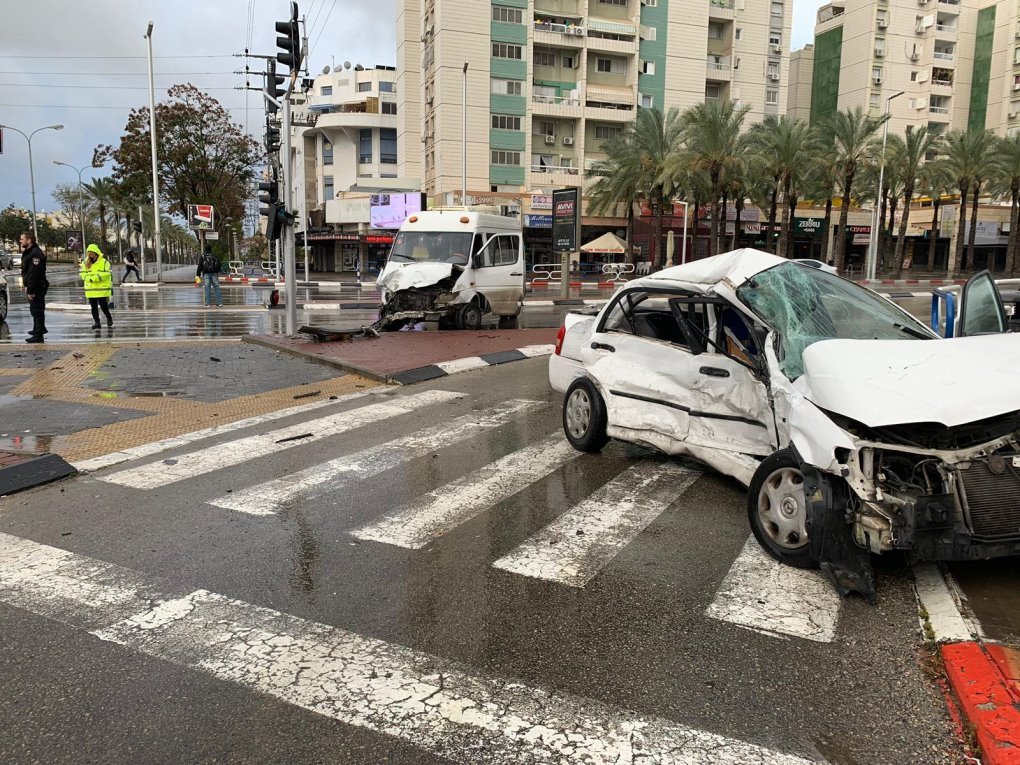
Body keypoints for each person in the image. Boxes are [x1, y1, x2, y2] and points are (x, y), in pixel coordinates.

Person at [20, 231, 48, 343]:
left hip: (37, 287)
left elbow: (34, 273)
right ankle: (38, 329)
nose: (20, 241)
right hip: (35, 286)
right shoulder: (30, 252)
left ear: (29, 240)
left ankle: (38, 334)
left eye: (22, 239)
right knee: (34, 310)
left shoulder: (35, 253)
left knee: (37, 310)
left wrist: (31, 290)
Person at [80, 243, 113, 330]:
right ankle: (97, 322)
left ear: (96, 252)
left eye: (91, 252)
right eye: (89, 252)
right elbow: (82, 273)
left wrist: (96, 278)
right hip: (91, 289)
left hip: (101, 289)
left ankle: (109, 318)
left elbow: (108, 273)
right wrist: (88, 278)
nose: (90, 254)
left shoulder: (104, 262)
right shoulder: (85, 262)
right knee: (93, 307)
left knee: (103, 306)